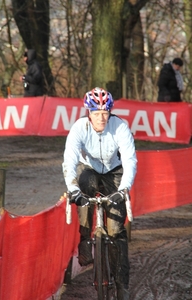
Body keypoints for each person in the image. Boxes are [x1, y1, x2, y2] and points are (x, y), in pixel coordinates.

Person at [62, 87, 137, 300]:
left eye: (106, 113)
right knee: (84, 185)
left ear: (111, 111)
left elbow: (130, 160)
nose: (102, 118)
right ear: (89, 113)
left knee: (116, 231)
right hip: (89, 169)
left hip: (114, 170)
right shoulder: (79, 128)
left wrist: (124, 189)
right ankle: (85, 238)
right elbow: (70, 160)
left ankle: (122, 283)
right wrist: (73, 190)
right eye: (97, 114)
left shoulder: (120, 126)